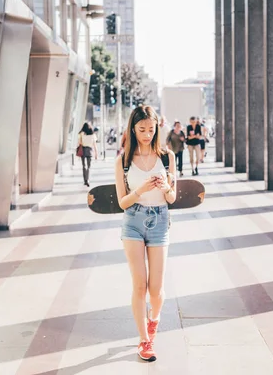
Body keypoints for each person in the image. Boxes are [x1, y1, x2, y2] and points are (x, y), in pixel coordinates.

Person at [115, 106, 177, 362]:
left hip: (160, 219)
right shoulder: (123, 161)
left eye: (151, 129)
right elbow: (122, 202)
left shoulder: (167, 157)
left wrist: (166, 187)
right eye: (142, 129)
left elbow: (172, 198)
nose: (147, 134)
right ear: (133, 128)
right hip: (133, 221)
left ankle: (154, 319)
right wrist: (139, 189)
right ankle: (144, 340)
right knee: (139, 285)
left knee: (156, 289)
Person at [78, 122, 98, 187]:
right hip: (89, 150)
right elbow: (95, 145)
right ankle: (88, 179)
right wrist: (96, 154)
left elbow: (79, 142)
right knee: (89, 166)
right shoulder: (93, 134)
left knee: (84, 166)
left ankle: (85, 180)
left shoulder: (81, 133)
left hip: (83, 150)